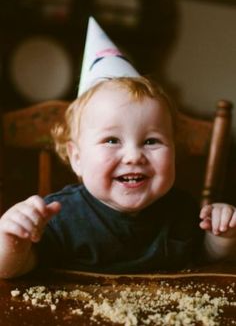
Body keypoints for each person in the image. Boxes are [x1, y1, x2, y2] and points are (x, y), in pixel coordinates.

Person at [0, 17, 236, 279]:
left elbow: (204, 259)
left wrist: (220, 237)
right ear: (77, 158)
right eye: (112, 140)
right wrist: (11, 242)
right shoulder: (57, 218)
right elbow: (11, 270)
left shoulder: (181, 211)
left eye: (151, 141)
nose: (134, 156)